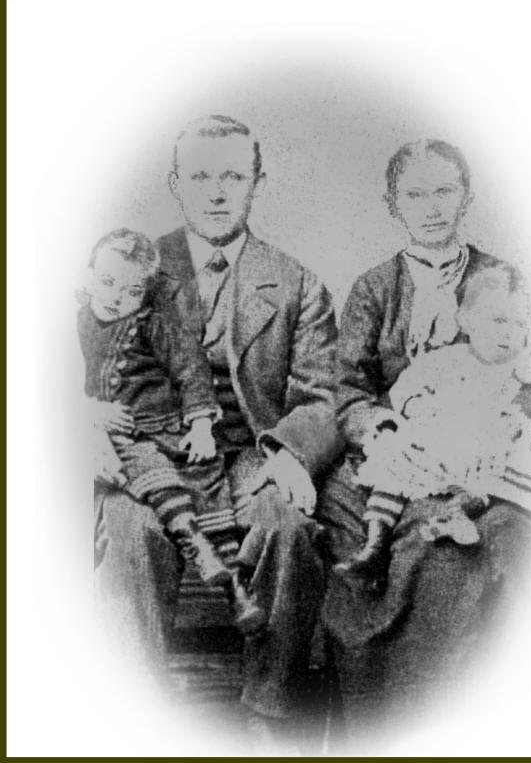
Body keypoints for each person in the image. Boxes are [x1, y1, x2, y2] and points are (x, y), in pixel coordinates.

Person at [93, 115, 340, 751]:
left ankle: (271, 716)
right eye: (201, 176)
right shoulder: (131, 268)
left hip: (250, 452)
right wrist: (85, 421)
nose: (218, 191)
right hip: (149, 448)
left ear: (259, 182)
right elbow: (60, 361)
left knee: (288, 527)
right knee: (130, 527)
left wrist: (291, 453)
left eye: (233, 175)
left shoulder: (297, 283)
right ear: (176, 184)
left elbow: (322, 396)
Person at [317, 139, 531, 737]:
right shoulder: (375, 288)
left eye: (445, 191)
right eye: (415, 195)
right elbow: (348, 390)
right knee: (358, 536)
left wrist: (503, 424)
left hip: (489, 458)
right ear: (392, 204)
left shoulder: (506, 282)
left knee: (479, 551)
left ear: (466, 198)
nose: (431, 208)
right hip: (398, 451)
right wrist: (385, 429)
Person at [80, 228, 265, 632]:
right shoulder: (68, 325)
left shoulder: (151, 324)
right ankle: (196, 546)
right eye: (107, 282)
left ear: (145, 293)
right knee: (152, 473)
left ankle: (236, 588)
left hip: (167, 426)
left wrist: (200, 424)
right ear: (87, 276)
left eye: (131, 291)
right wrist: (88, 409)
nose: (116, 298)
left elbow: (191, 368)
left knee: (207, 486)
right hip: (124, 437)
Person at [335, 264, 531, 584]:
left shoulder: (519, 367)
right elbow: (406, 389)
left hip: (486, 445)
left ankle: (456, 514)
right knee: (392, 466)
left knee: (495, 475)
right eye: (498, 321)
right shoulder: (445, 360)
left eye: (519, 324)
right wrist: (419, 407)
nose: (508, 333)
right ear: (466, 320)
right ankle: (375, 542)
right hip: (438, 440)